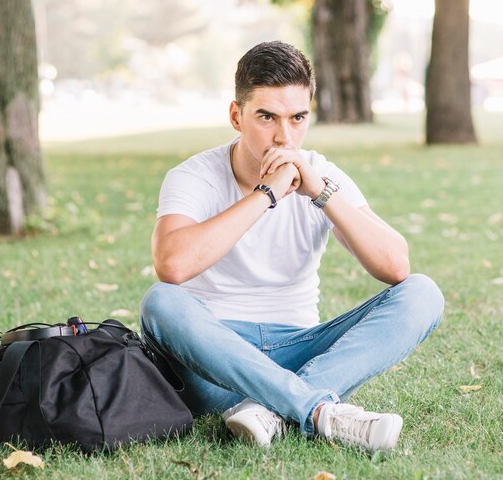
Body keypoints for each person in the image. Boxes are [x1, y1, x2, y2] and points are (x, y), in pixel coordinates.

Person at [140, 41, 444, 452]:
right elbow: (172, 266)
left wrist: (319, 191)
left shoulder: (322, 174)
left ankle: (273, 408)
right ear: (236, 115)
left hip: (302, 353)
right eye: (267, 117)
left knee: (423, 292)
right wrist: (267, 194)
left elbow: (395, 266)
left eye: (297, 117)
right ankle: (316, 409)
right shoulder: (194, 176)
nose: (284, 136)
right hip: (216, 367)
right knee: (160, 302)